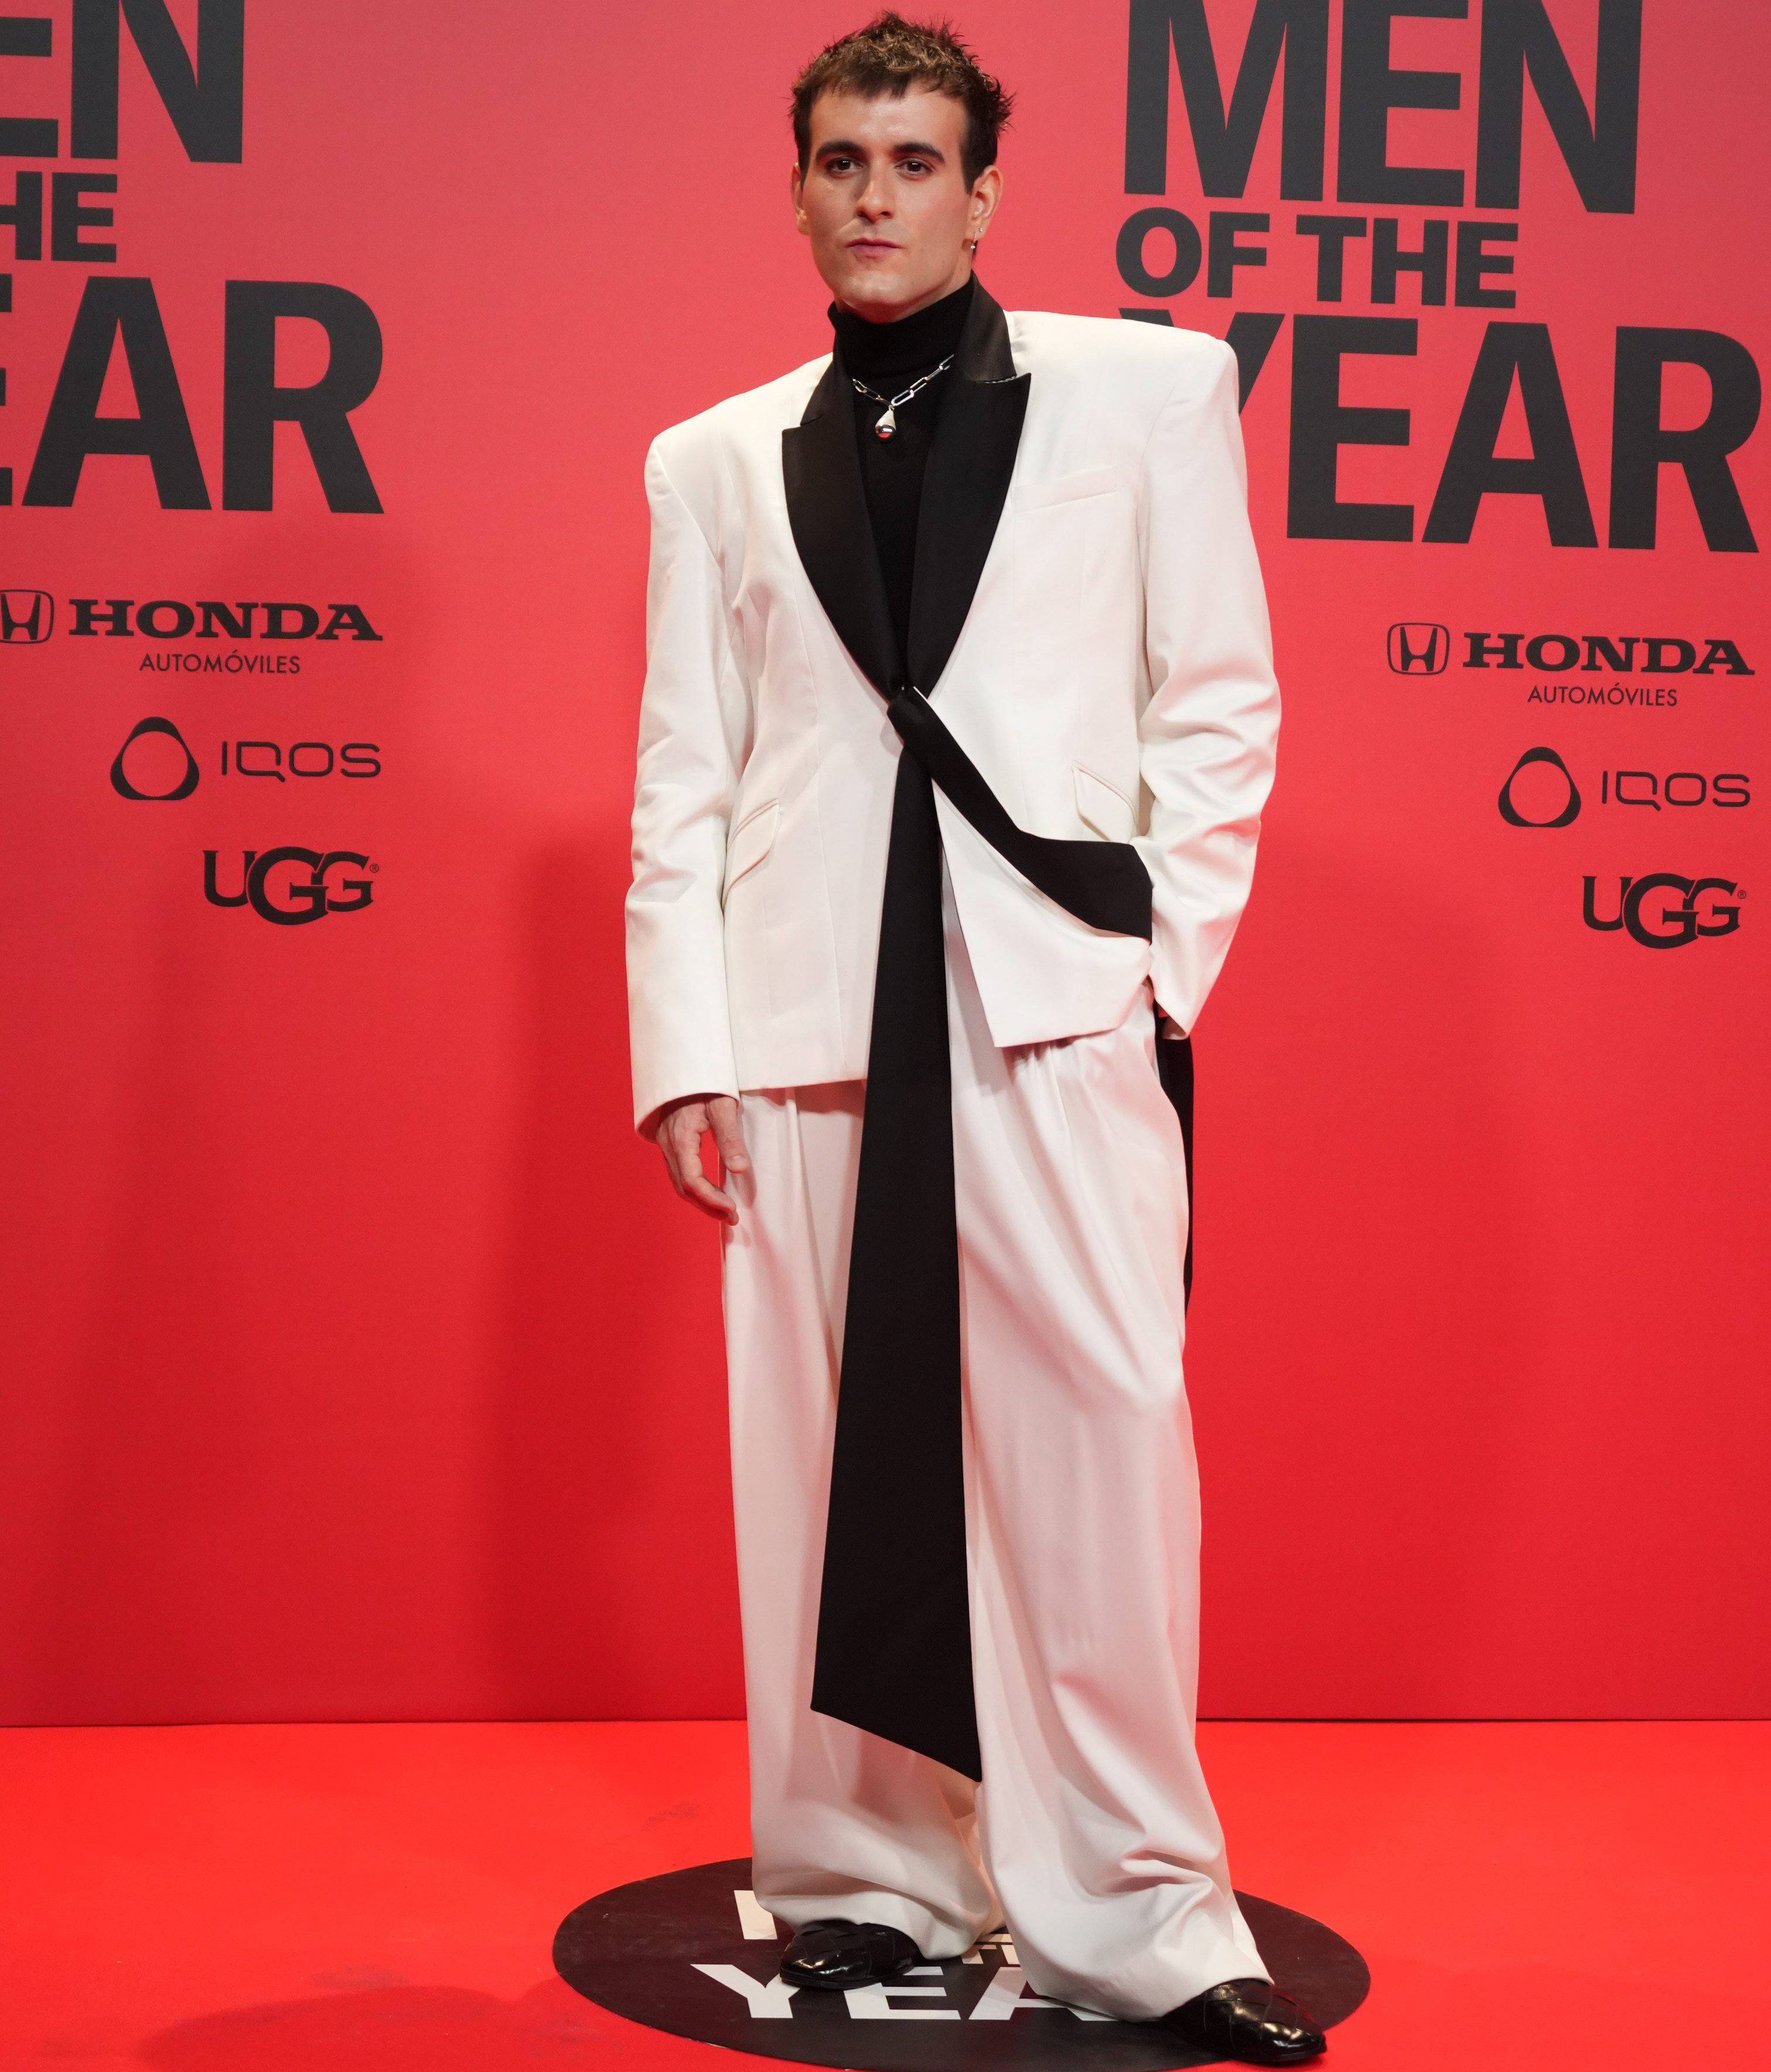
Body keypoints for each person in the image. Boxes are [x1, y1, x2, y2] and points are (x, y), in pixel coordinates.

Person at [624, 13, 1320, 2062]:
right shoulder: (709, 457)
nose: (876, 195)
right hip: (804, 1018)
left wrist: (1156, 964)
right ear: (798, 191)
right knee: (821, 1468)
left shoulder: (1152, 390)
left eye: (915, 160)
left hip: (1047, 1001)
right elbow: (686, 772)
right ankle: (863, 1873)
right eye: (843, 161)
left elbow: (1220, 699)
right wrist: (685, 1044)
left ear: (983, 187)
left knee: (1103, 1455)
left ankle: (1146, 1910)